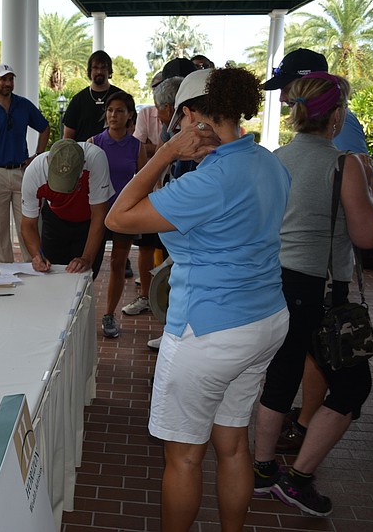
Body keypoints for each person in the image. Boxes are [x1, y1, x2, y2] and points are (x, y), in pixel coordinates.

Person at [105, 67, 291, 532]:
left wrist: (166, 152)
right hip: (264, 319)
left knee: (185, 457)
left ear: (190, 117)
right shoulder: (268, 161)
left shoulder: (210, 181)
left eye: (178, 121)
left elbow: (119, 217)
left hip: (208, 330)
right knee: (232, 445)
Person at [252, 72, 373, 517]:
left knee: (282, 377)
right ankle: (299, 478)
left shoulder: (274, 158)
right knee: (353, 386)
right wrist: (370, 190)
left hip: (277, 282)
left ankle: (262, 470)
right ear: (338, 115)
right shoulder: (343, 164)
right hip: (321, 288)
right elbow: (367, 236)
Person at [125, 76, 184, 351]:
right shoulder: (169, 131)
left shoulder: (184, 136)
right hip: (165, 200)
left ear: (170, 108)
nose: (157, 113)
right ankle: (170, 327)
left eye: (160, 107)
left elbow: (118, 217)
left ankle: (175, 330)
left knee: (177, 273)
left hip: (180, 212)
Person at [0, 64, 50, 262]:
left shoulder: (23, 105)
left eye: (10, 79)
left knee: (29, 224)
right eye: (3, 79)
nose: (7, 83)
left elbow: (44, 127)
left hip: (22, 172)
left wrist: (37, 155)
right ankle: (3, 275)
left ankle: (34, 266)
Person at [88, 92, 146, 338]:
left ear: (129, 115)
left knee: (118, 264)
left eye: (120, 110)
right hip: (96, 214)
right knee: (88, 263)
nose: (114, 115)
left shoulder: (136, 146)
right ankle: (81, 313)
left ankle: (109, 315)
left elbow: (144, 181)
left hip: (124, 213)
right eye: (110, 110)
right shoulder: (94, 142)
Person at [21, 139, 113, 278]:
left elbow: (99, 215)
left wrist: (87, 258)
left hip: (88, 223)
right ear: (47, 161)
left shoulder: (96, 158)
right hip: (55, 220)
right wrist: (36, 255)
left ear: (82, 166)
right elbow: (28, 224)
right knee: (53, 276)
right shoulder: (34, 172)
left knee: (83, 277)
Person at [62, 50, 125, 141]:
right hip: (83, 153)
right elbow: (68, 137)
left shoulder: (121, 97)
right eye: (95, 68)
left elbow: (131, 129)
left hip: (114, 153)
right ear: (89, 71)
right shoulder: (78, 100)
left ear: (109, 70)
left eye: (103, 68)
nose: (99, 71)